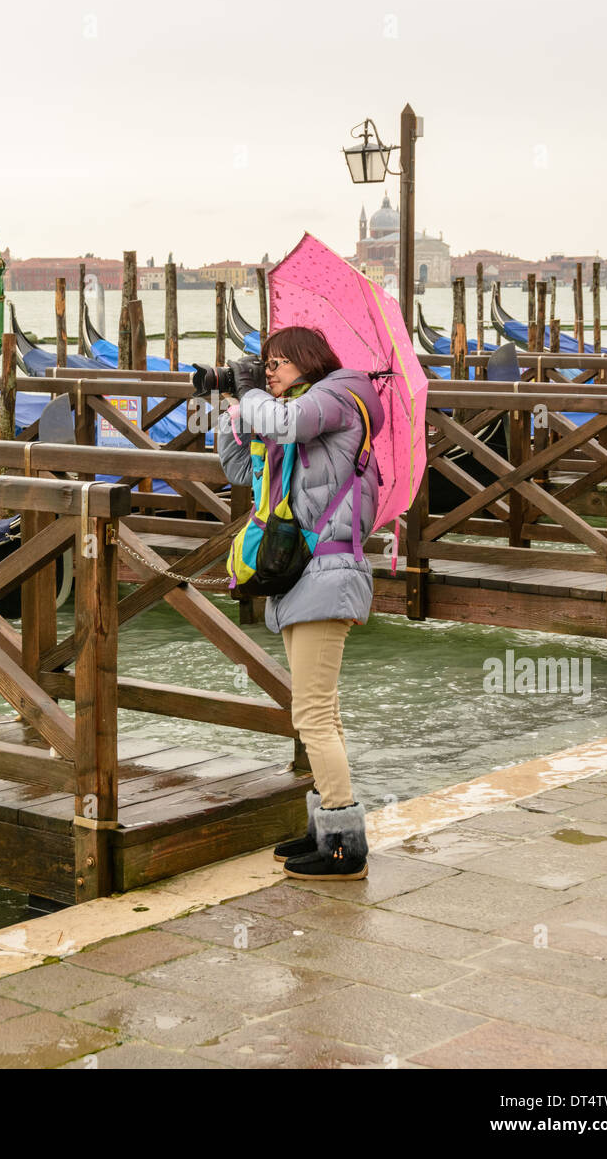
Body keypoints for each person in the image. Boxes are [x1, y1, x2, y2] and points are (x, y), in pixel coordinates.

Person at [217, 325, 384, 881]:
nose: (270, 371)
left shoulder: (340, 397)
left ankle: (344, 844)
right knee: (322, 710)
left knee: (311, 713)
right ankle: (324, 830)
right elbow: (241, 469)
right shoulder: (298, 414)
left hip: (329, 573)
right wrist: (230, 409)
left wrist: (253, 398)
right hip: (303, 576)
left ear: (311, 359)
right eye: (265, 364)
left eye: (280, 361)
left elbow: (284, 421)